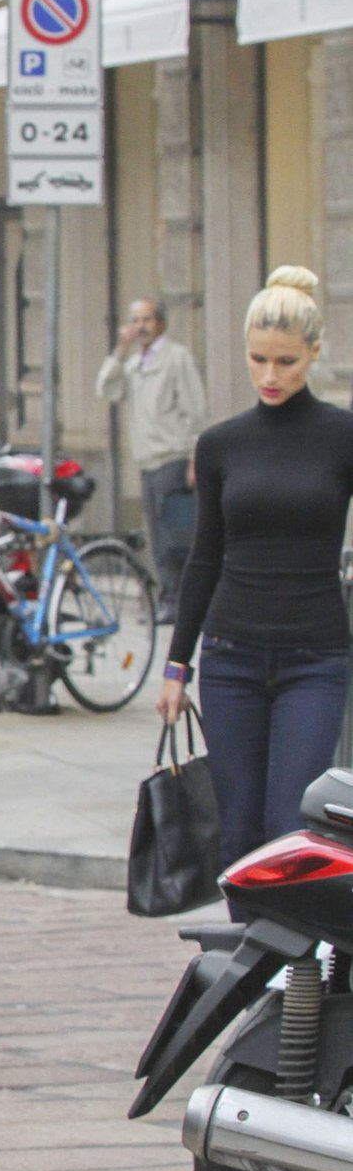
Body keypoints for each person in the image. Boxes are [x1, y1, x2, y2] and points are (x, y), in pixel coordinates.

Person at [157, 265, 353, 875]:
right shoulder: (221, 444)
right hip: (230, 658)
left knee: (291, 828)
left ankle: (294, 971)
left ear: (315, 354)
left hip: (315, 658)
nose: (271, 375)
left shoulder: (343, 436)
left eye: (287, 362)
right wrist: (175, 665)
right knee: (238, 832)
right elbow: (204, 557)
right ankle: (245, 964)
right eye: (258, 359)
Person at [97, 297, 209, 622]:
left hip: (173, 460)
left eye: (146, 320)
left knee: (177, 539)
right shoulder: (133, 365)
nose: (140, 327)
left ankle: (181, 603)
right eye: (135, 320)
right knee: (158, 540)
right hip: (147, 464)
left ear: (160, 322)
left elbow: (196, 412)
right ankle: (167, 598)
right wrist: (120, 350)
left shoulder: (176, 359)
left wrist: (194, 458)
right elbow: (106, 389)